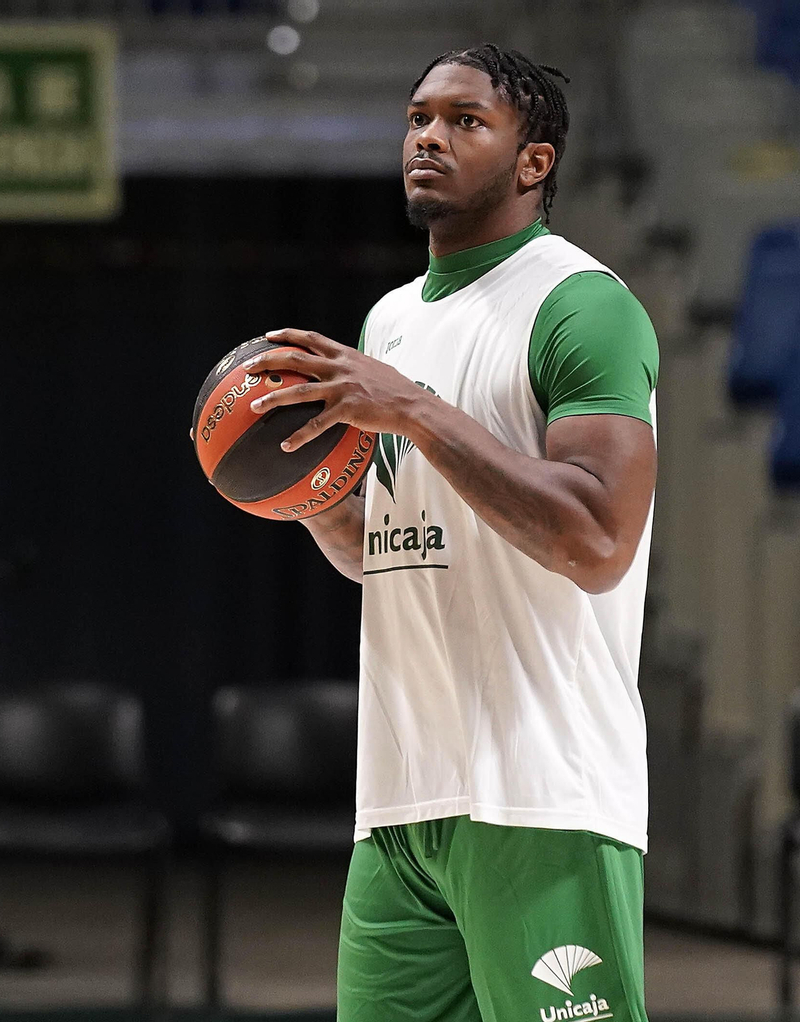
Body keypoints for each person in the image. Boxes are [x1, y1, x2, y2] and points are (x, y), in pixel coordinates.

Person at [242, 43, 659, 1022]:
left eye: (464, 120)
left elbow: (598, 540)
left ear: (533, 161)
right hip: (399, 797)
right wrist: (292, 489)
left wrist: (415, 409)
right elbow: (379, 551)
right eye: (417, 117)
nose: (427, 136)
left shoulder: (581, 305)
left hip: (539, 790)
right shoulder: (387, 323)